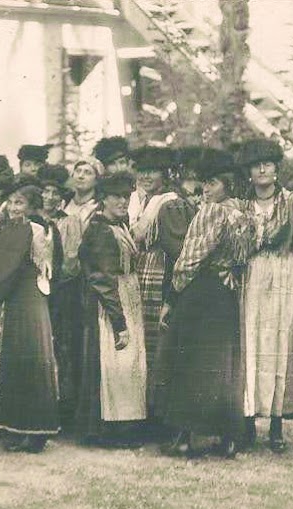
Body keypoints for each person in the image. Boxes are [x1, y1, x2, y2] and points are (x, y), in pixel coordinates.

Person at [155, 148, 251, 458]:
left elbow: (190, 258)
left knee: (190, 361)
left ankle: (184, 438)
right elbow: (242, 257)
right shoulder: (243, 214)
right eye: (204, 184)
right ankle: (228, 438)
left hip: (201, 290)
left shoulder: (211, 212)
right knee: (222, 364)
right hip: (226, 292)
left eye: (212, 183)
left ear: (227, 184)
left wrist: (173, 295)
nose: (206, 189)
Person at [235, 138, 293, 452]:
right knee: (251, 343)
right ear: (249, 172)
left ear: (276, 168)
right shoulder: (241, 206)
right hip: (252, 274)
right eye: (256, 165)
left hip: (284, 273)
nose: (262, 170)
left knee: (280, 345)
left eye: (267, 164)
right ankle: (247, 421)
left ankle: (277, 423)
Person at [0, 178, 60, 452]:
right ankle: (32, 431)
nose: (12, 207)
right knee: (33, 361)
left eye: (19, 203)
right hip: (35, 300)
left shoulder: (22, 229)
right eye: (10, 202)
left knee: (20, 362)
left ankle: (21, 429)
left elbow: (5, 273)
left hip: (21, 299)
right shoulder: (42, 228)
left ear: (31, 206)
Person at [76, 171, 148, 447]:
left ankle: (124, 425)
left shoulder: (119, 225)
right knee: (114, 362)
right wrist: (119, 323)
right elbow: (102, 279)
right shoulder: (100, 230)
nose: (122, 201)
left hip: (126, 297)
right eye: (116, 196)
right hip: (109, 304)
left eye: (126, 197)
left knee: (126, 364)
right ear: (103, 199)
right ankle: (110, 428)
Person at [126, 146, 195, 408]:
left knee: (158, 340)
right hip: (139, 272)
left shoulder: (170, 202)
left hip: (159, 272)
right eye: (142, 170)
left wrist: (172, 291)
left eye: (152, 171)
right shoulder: (137, 201)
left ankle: (159, 407)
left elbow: (178, 250)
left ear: (164, 174)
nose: (146, 176)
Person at [51, 157, 101, 428]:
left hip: (84, 280)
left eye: (87, 172)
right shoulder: (63, 205)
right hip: (61, 280)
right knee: (62, 340)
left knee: (83, 340)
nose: (81, 176)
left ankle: (82, 409)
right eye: (78, 171)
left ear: (96, 179)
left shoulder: (97, 208)